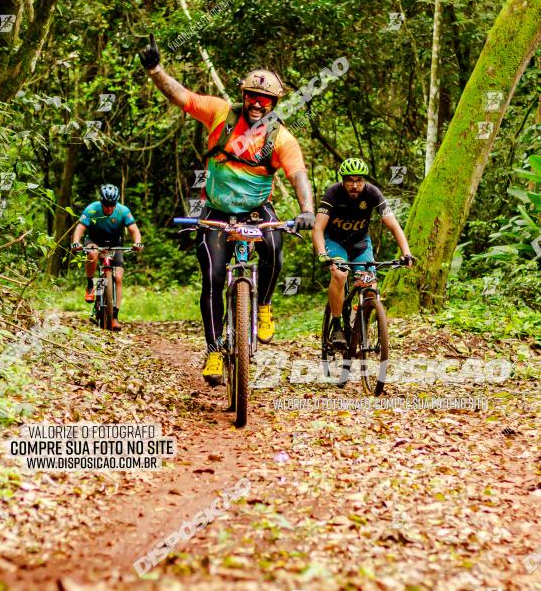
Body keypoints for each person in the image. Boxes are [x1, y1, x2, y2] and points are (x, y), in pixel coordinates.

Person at [138, 34, 315, 384]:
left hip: (255, 210)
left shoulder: (280, 138)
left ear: (274, 103)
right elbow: (181, 96)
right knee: (213, 277)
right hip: (216, 211)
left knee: (275, 250)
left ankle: (262, 307)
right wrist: (156, 70)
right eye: (252, 96)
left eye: (265, 100)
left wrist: (306, 210)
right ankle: (215, 351)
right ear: (243, 96)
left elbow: (298, 176)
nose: (257, 104)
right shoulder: (220, 113)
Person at [313, 158, 413, 347]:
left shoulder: (372, 193)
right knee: (340, 275)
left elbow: (393, 225)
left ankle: (360, 326)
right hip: (335, 241)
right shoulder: (333, 194)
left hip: (360, 242)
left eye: (359, 180)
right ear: (343, 181)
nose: (354, 185)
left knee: (370, 286)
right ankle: (336, 326)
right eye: (349, 180)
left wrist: (406, 253)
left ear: (364, 181)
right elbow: (318, 228)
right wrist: (321, 253)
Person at [71, 184, 143, 331]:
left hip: (115, 244)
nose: (109, 208)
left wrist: (137, 243)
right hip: (94, 242)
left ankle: (114, 316)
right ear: (101, 201)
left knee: (118, 278)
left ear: (116, 203)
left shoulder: (123, 211)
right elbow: (80, 227)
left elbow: (134, 230)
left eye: (112, 205)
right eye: (106, 205)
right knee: (92, 253)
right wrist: (76, 242)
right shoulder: (92, 209)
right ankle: (91, 284)